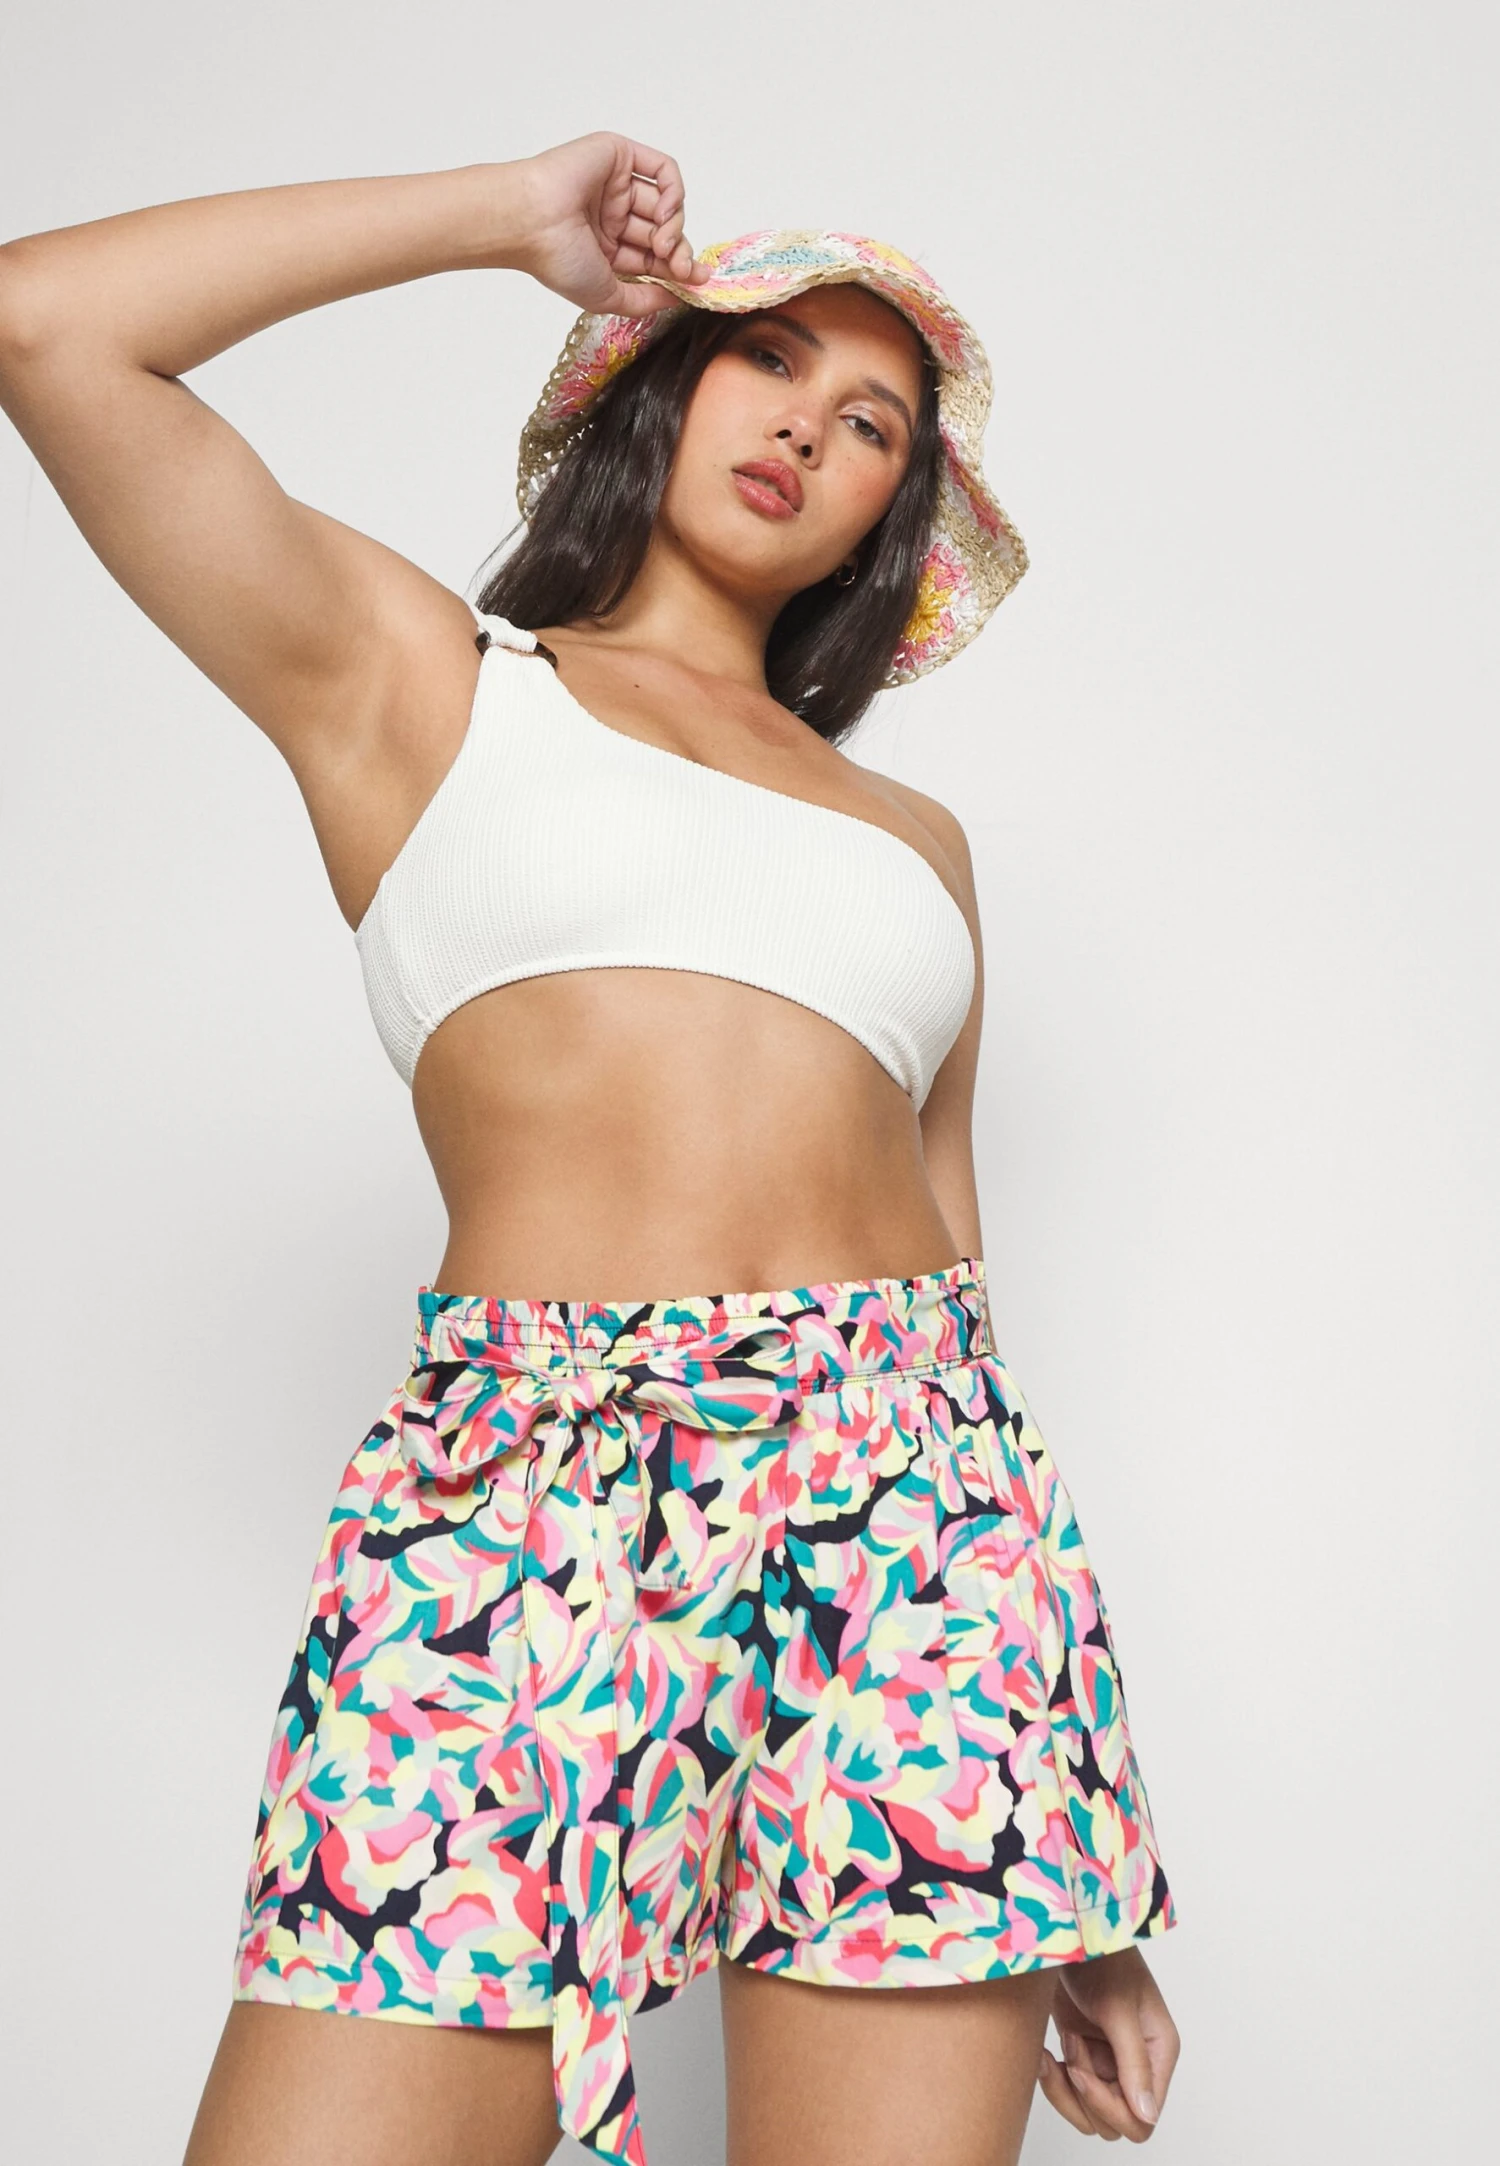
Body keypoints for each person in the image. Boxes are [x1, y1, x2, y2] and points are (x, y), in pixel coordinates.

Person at [0, 130, 1180, 2166]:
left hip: (915, 1535)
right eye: (769, 360)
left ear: (896, 516)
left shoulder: (920, 847)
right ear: (662, 383)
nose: (806, 428)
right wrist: (499, 220)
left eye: (872, 423)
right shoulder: (424, 687)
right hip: (522, 1501)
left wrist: (1074, 1846)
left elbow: (961, 1307)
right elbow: (46, 323)